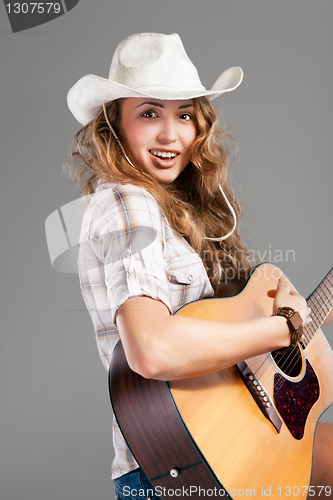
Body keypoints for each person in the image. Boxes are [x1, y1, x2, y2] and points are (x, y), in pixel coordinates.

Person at [66, 33, 333, 499]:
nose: (171, 136)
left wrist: (277, 314)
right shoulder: (130, 204)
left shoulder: (175, 213)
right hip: (174, 472)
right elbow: (151, 350)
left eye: (185, 115)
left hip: (218, 449)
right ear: (115, 126)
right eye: (149, 113)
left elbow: (213, 343)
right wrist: (282, 330)